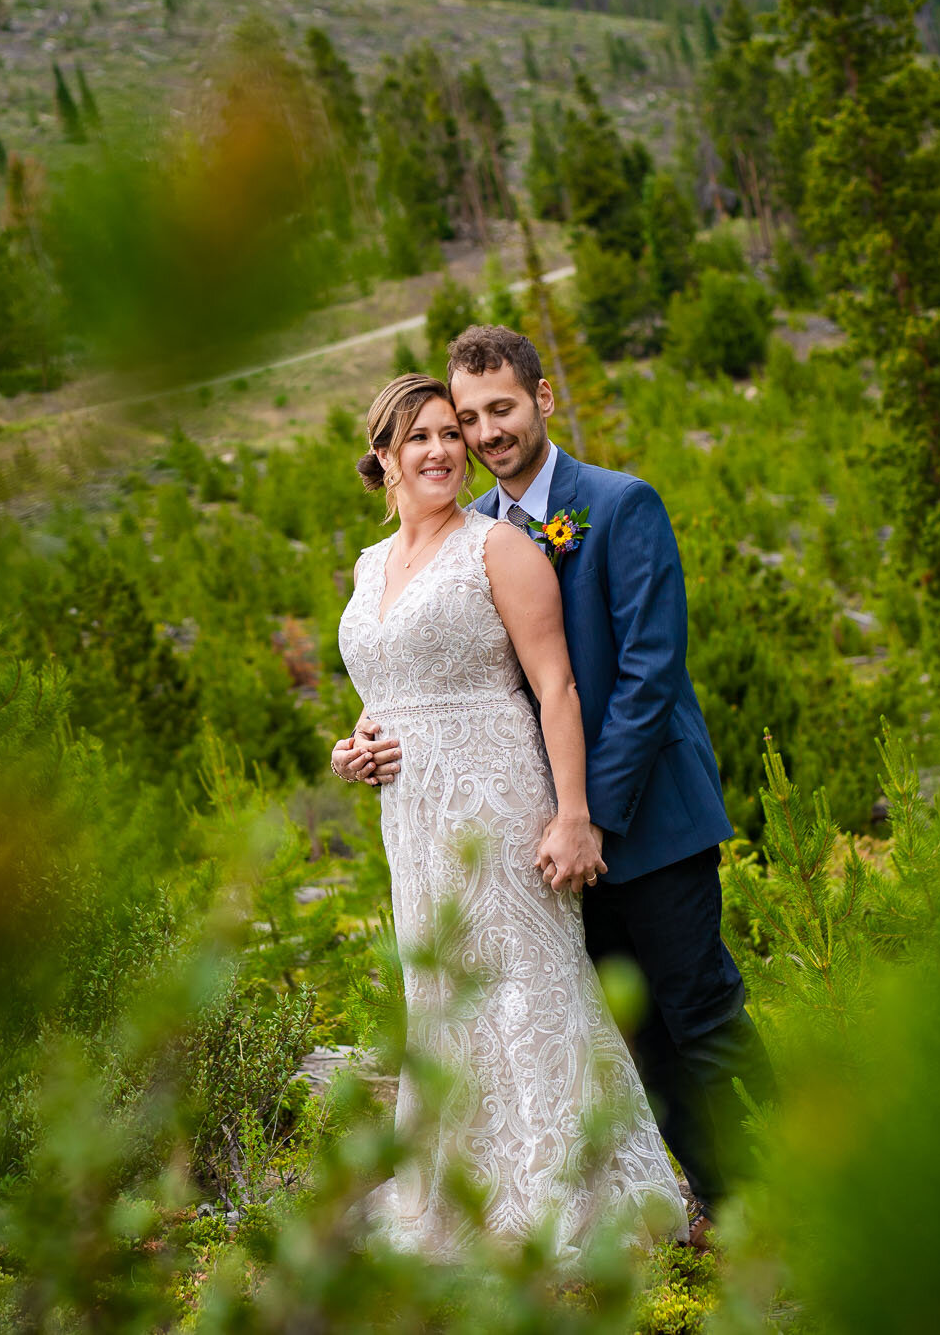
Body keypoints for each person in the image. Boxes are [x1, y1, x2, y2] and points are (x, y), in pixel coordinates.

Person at [335, 325, 773, 1238]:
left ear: (542, 398)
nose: (483, 433)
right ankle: (725, 1205)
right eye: (466, 417)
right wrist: (372, 739)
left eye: (499, 410)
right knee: (632, 1031)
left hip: (645, 818)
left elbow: (648, 675)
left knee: (700, 1011)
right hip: (531, 831)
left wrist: (589, 816)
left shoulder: (618, 505)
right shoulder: (480, 529)